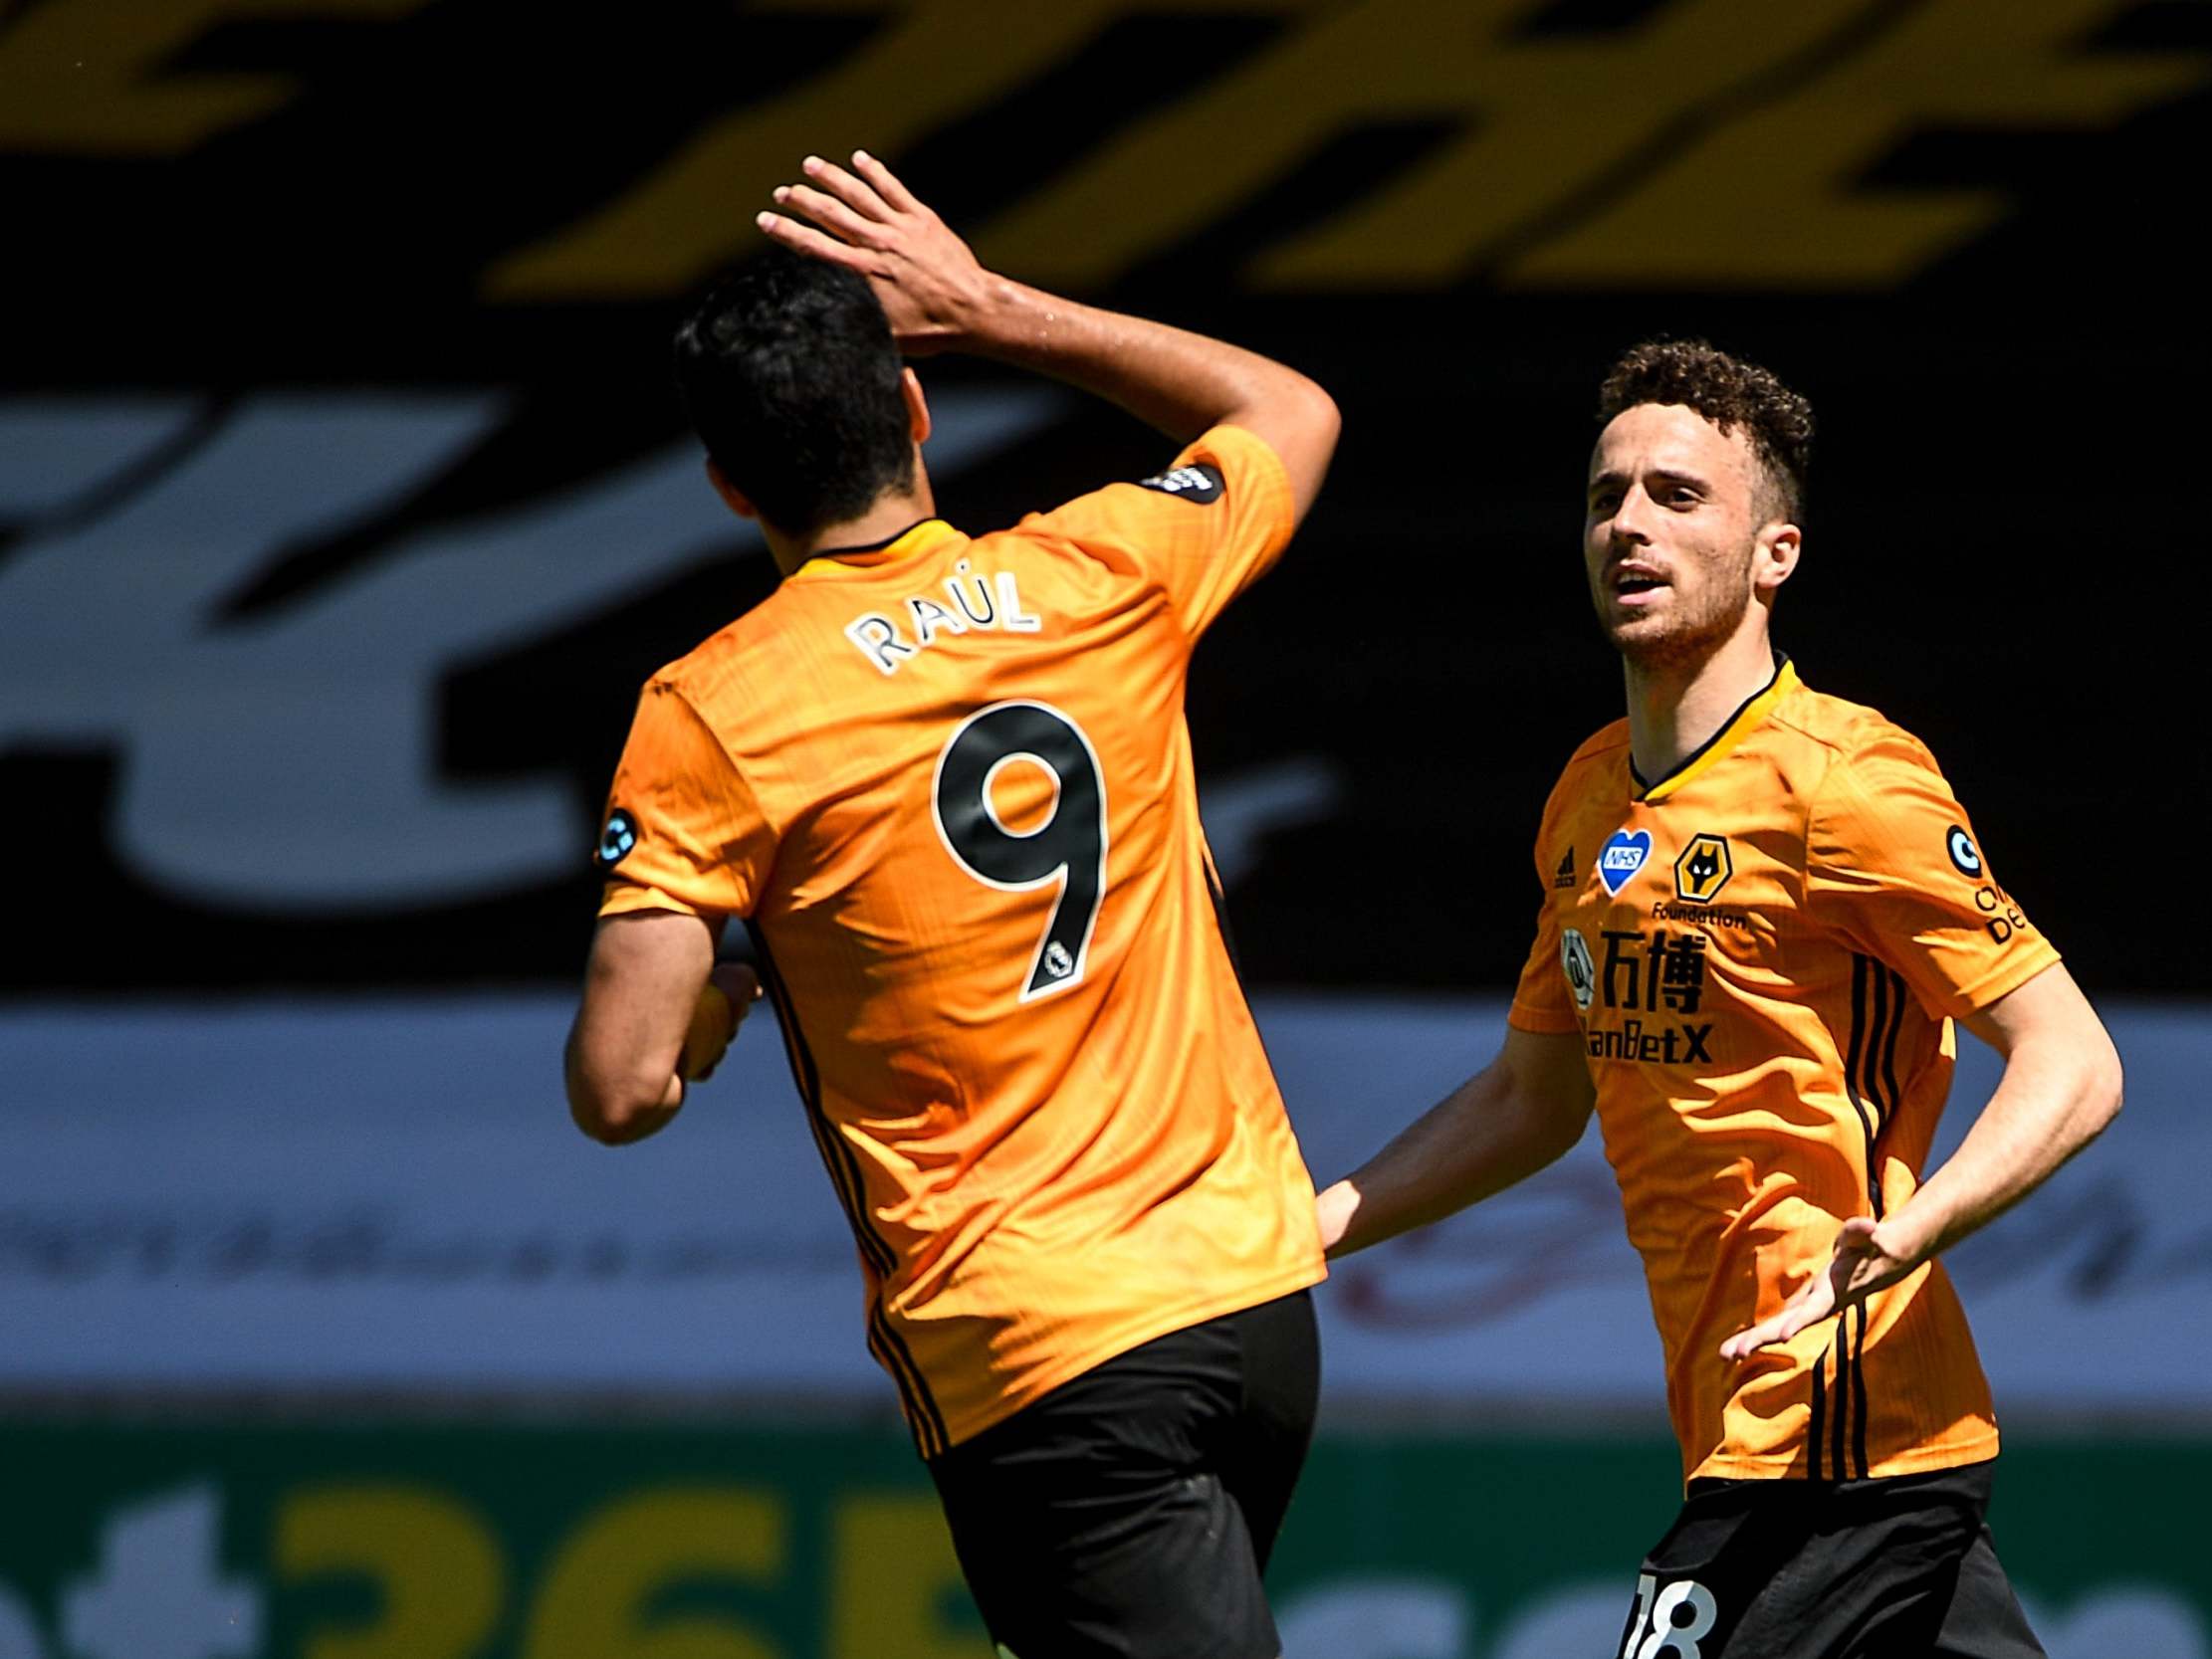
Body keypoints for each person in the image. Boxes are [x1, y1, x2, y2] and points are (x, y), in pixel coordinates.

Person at [563, 149, 1340, 1659]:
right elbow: (1286, 411)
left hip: (1043, 1348)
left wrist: (731, 996)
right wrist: (993, 308)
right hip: (1253, 1307)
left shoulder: (714, 712)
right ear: (916, 408)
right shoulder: (1103, 568)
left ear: (727, 486)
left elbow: (620, 1084)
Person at [1315, 339, 2122, 1659]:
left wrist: (1912, 1228)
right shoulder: (1585, 795)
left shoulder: (1846, 781)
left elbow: (2072, 1060)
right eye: (1604, 495)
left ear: (1773, 556)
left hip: (1831, 1432)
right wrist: (1308, 1228)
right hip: (1787, 1435)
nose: (1626, 522)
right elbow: (1531, 1098)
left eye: (1676, 495)